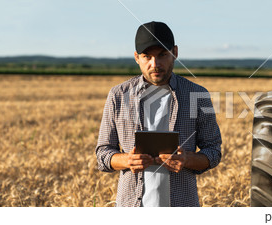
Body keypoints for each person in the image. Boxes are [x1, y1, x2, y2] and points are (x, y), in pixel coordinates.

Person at [95, 21, 222, 207]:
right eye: (147, 56)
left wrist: (186, 159)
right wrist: (127, 160)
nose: (155, 64)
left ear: (175, 53)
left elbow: (213, 152)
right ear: (137, 57)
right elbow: (102, 154)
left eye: (162, 55)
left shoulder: (199, 95)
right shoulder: (118, 95)